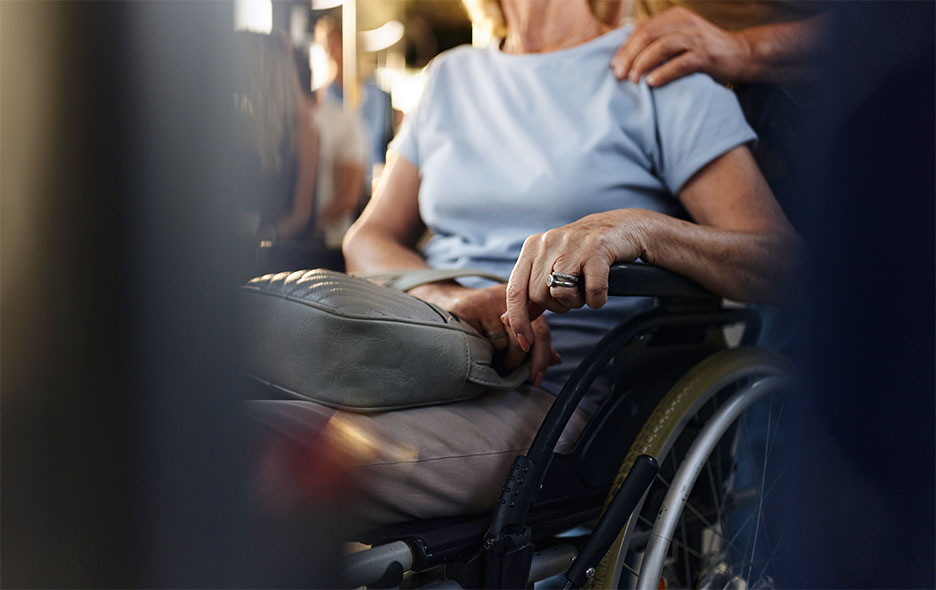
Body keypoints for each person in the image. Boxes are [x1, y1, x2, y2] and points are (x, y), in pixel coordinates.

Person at [255, 0, 801, 527]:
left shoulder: (659, 72)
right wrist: (451, 299)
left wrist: (641, 229)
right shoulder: (450, 78)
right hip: (420, 359)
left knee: (249, 459)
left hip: (554, 392)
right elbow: (368, 237)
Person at [233, 31, 319, 243]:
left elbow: (300, 216)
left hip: (279, 255)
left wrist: (259, 238)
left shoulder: (302, 131)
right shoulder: (236, 124)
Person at [292, 45, 369, 248]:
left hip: (327, 242)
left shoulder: (342, 121)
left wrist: (303, 226)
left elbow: (349, 197)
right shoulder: (279, 123)